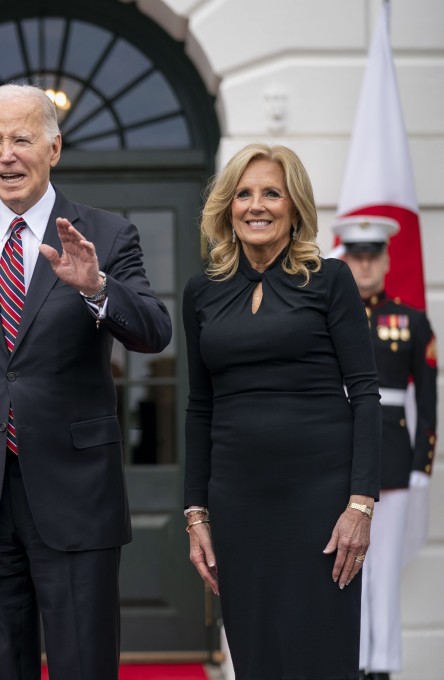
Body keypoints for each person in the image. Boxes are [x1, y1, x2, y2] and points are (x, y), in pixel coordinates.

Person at [0, 83, 172, 679]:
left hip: (77, 491)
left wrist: (98, 288)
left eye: (21, 139)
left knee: (84, 662)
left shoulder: (107, 232)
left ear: (55, 147)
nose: (6, 155)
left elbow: (154, 333)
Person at [183, 143, 381, 679]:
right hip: (237, 503)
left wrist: (360, 506)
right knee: (256, 654)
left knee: (320, 652)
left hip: (320, 502)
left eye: (272, 192)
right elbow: (200, 407)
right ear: (227, 207)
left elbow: (364, 392)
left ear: (295, 206)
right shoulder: (202, 292)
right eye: (244, 194)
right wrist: (195, 513)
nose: (256, 205)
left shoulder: (331, 279)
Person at [334, 216, 437, 680]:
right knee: (344, 565)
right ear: (345, 258)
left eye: (372, 255)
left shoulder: (412, 320)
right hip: (338, 454)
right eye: (356, 255)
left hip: (393, 457)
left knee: (385, 569)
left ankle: (383, 666)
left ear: (387, 260)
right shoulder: (329, 315)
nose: (365, 264)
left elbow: (430, 400)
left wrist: (423, 462)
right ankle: (350, 660)